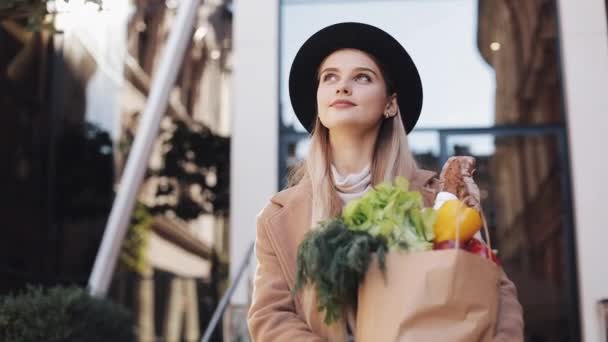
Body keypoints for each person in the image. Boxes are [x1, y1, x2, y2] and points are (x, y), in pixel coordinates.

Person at [247, 22, 524, 341]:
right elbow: (271, 317)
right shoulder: (279, 217)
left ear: (390, 103)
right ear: (319, 102)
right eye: (330, 77)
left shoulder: (435, 197)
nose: (342, 87)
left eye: (362, 77)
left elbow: (498, 296)